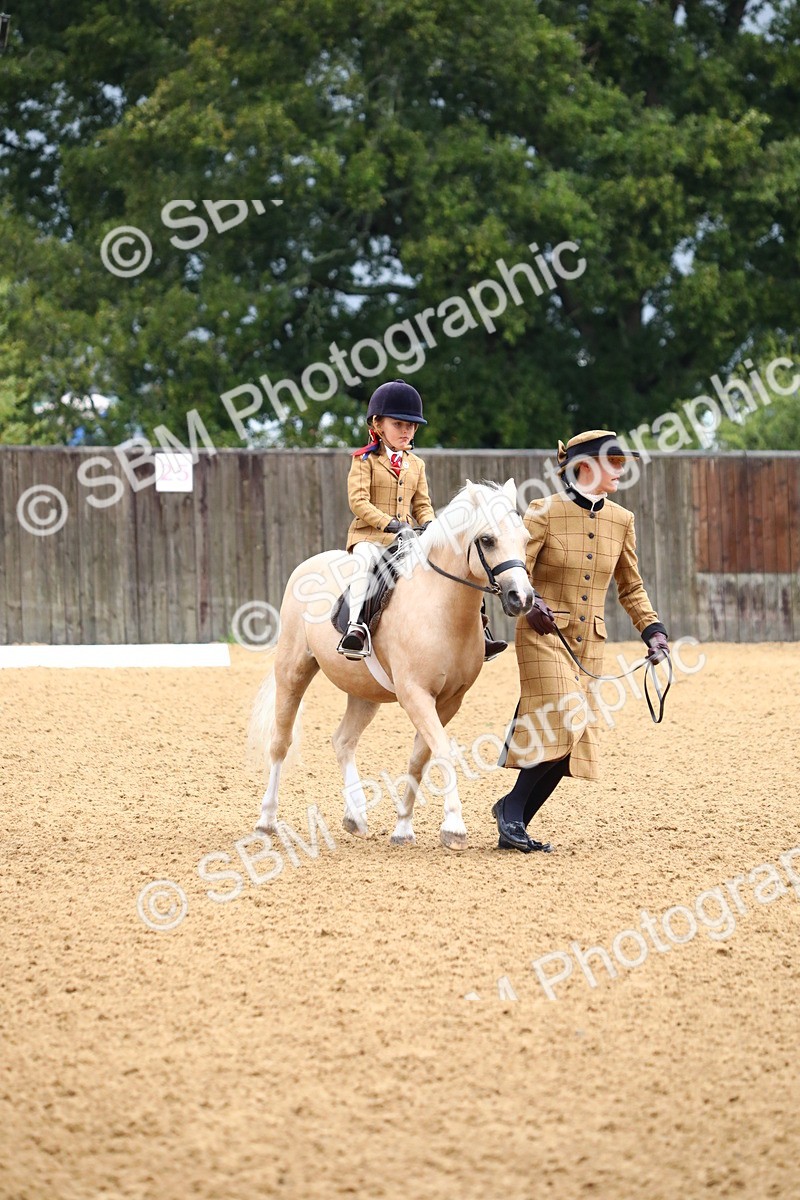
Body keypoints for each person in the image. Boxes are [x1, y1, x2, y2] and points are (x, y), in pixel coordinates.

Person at [492, 429, 670, 853]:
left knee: (572, 737)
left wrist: (653, 630)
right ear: (585, 466)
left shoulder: (621, 520)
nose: (621, 470)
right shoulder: (543, 511)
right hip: (541, 634)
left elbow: (631, 587)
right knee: (567, 719)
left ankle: (514, 820)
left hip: (589, 643)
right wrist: (528, 607)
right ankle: (510, 808)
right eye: (614, 462)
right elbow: (514, 574)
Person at [338, 380, 507, 661]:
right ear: (378, 424)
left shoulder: (416, 464)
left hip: (408, 537)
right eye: (398, 424)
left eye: (412, 426)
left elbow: (422, 504)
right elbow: (359, 502)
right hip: (370, 536)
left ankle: (481, 631)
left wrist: (430, 525)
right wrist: (391, 524)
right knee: (365, 562)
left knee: (460, 562)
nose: (407, 431)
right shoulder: (364, 460)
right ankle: (357, 627)